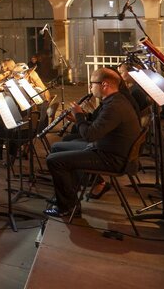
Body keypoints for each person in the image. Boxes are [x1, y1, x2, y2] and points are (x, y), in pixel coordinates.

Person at [43, 68, 141, 218]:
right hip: (106, 148)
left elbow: (90, 135)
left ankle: (68, 207)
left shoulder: (114, 106)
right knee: (57, 147)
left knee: (54, 160)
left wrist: (79, 116)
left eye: (92, 83)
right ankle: (68, 196)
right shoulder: (115, 100)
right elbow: (100, 127)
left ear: (104, 85)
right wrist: (80, 119)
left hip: (112, 158)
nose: (90, 87)